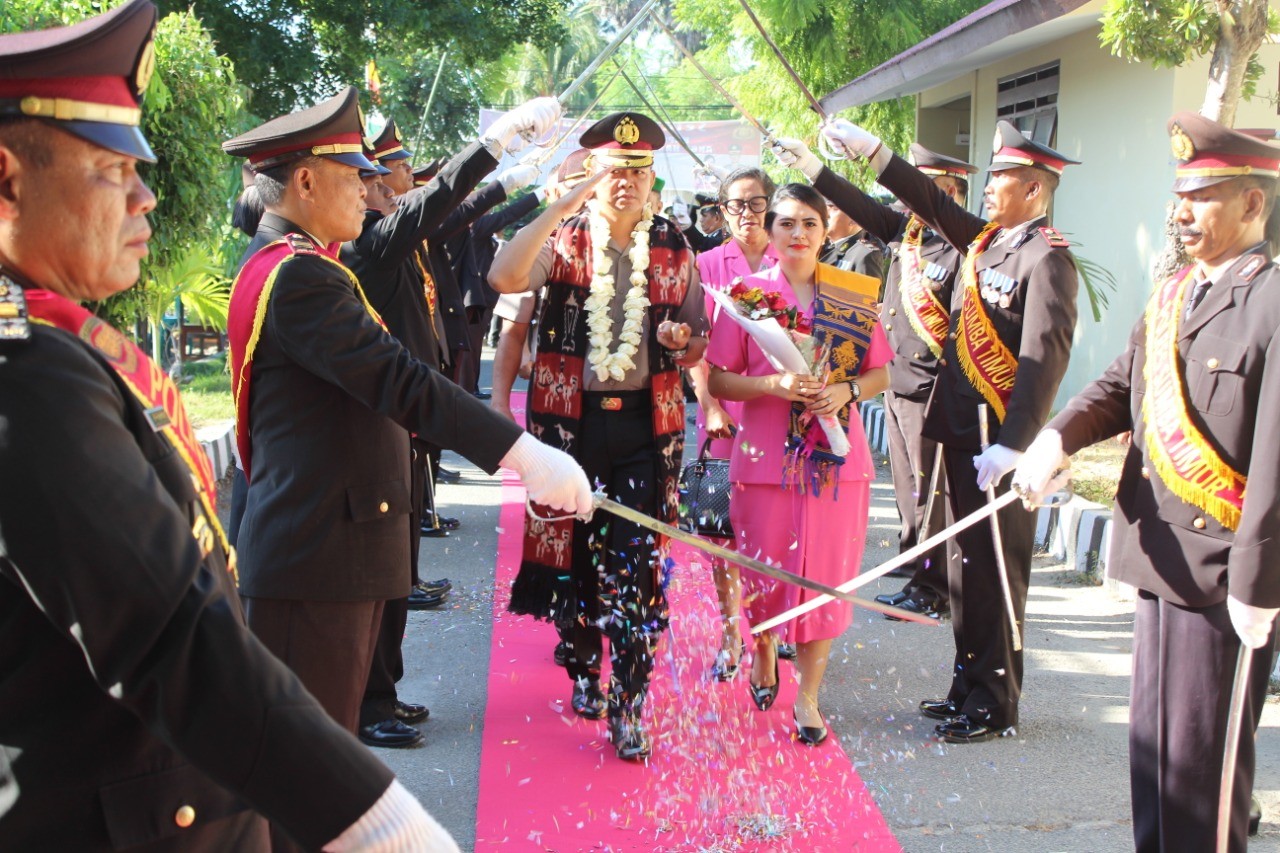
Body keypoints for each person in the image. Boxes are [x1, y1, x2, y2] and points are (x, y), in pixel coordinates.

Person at [0, 2, 463, 848]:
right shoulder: (25, 372)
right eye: (114, 172)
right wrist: (376, 818)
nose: (147, 198)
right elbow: (168, 633)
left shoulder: (46, 343)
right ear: (7, 182)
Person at [222, 86, 591, 840]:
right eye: (354, 176)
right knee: (305, 783)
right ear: (305, 183)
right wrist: (521, 451)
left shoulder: (296, 264)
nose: (370, 189)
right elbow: (399, 378)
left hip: (322, 551)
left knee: (321, 769)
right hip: (314, 562)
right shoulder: (301, 276)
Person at [1014, 113, 1280, 852]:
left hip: (1224, 582)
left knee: (1204, 783)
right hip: (1158, 562)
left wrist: (1259, 588)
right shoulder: (1174, 295)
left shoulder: (1270, 306)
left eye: (1201, 196)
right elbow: (1118, 385)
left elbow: (1275, 465)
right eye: (1178, 196)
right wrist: (1054, 439)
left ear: (1253, 204)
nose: (1180, 212)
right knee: (1155, 767)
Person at [822, 118, 1080, 743]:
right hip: (962, 432)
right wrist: (867, 155)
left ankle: (995, 703)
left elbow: (1043, 362)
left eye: (1003, 180)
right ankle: (967, 686)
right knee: (966, 574)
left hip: (997, 439)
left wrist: (1015, 445)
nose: (989, 190)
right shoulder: (989, 241)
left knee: (994, 574)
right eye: (991, 179)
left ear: (1036, 192)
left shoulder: (1046, 258)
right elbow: (928, 202)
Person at [489, 112, 708, 760]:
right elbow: (504, 277)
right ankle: (585, 668)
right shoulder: (562, 238)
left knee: (637, 568)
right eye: (616, 172)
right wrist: (563, 200)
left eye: (639, 174)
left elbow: (698, 335)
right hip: (570, 428)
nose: (627, 185)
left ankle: (630, 704)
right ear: (596, 174)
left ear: (651, 182)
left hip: (644, 428)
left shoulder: (672, 242)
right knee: (578, 560)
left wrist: (682, 340)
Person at [339, 118, 539, 749]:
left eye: (373, 177)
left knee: (395, 566)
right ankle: (370, 701)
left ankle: (384, 693)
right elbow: (442, 206)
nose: (381, 188)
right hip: (392, 407)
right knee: (381, 573)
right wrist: (495, 150)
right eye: (370, 179)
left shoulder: (379, 235)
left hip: (406, 408)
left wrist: (516, 182)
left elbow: (451, 214)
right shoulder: (369, 242)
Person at [704, 183, 891, 744]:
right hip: (763, 458)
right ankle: (762, 646)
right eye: (786, 223)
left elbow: (883, 371)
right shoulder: (745, 295)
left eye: (809, 223)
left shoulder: (852, 296)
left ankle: (808, 696)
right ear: (772, 230)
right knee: (762, 568)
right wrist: (773, 383)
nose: (798, 234)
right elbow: (716, 378)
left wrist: (847, 391)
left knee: (827, 578)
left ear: (826, 229)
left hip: (835, 461)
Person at [774, 138, 978, 620]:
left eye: (921, 190)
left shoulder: (961, 249)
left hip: (933, 385)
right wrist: (811, 166)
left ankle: (933, 588)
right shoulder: (909, 236)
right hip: (899, 379)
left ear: (947, 192)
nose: (907, 202)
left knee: (932, 491)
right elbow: (858, 204)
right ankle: (915, 566)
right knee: (910, 486)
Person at [685, 166, 779, 680]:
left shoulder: (790, 257)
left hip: (780, 413)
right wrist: (711, 404)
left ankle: (774, 629)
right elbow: (698, 348)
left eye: (756, 202)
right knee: (722, 531)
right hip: (722, 413)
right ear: (721, 211)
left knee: (777, 526)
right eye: (736, 205)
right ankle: (729, 633)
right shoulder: (704, 265)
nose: (747, 214)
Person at [820, 198, 887, 287]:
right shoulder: (819, 248)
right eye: (826, 207)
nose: (826, 213)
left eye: (834, 208)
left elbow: (866, 299)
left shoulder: (865, 255)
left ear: (854, 219)